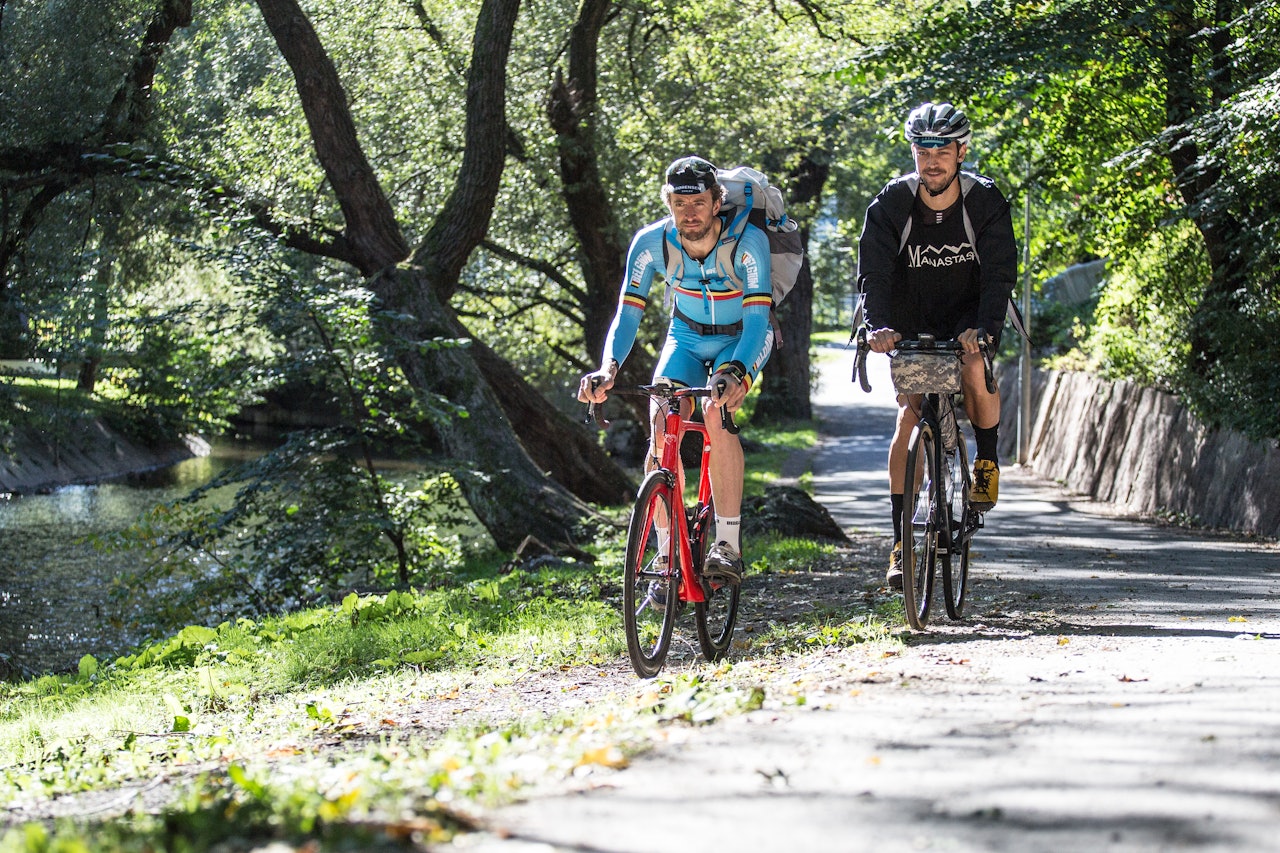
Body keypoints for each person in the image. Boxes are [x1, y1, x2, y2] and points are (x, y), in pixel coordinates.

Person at [578, 155, 774, 594]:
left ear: (717, 201)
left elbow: (759, 320)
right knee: (661, 422)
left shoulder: (748, 241)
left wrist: (737, 371)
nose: (690, 212)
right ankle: (667, 553)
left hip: (740, 337)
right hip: (684, 337)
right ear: (668, 201)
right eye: (680, 202)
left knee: (715, 411)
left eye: (699, 202)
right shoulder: (651, 243)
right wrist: (608, 369)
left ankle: (727, 544)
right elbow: (626, 315)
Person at [855, 102, 1017, 590]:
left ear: (961, 151)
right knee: (910, 414)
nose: (932, 160)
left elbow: (999, 273)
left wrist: (985, 327)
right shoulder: (891, 204)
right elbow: (874, 274)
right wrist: (878, 326)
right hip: (908, 320)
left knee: (972, 368)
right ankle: (903, 540)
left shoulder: (984, 202)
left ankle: (986, 458)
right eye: (923, 149)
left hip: (970, 316)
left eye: (942, 149)